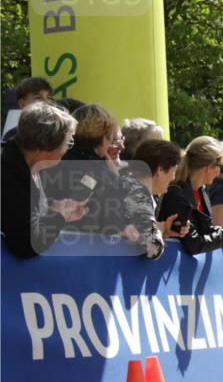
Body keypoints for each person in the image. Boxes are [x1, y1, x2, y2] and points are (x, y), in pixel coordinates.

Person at [0, 102, 87, 258]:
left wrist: (54, 207)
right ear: (48, 145)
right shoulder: (8, 174)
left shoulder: (25, 165)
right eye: (68, 142)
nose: (67, 149)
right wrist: (60, 216)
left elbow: (26, 215)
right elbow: (27, 245)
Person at [157, 137, 223, 255]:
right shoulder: (176, 193)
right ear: (208, 168)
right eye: (221, 167)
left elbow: (208, 230)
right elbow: (194, 244)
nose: (220, 172)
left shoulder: (201, 190)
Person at [42, 104, 128, 238]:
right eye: (112, 137)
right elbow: (114, 226)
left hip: (43, 242)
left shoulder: (48, 163)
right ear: (105, 136)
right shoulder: (104, 175)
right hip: (85, 248)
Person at [121, 139, 188, 258]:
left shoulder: (127, 184)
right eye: (174, 170)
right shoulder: (137, 193)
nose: (173, 178)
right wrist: (160, 231)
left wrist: (162, 229)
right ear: (160, 170)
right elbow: (152, 248)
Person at [2, 76, 52, 141]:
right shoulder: (12, 137)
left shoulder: (58, 132)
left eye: (48, 98)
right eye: (38, 98)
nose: (46, 102)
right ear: (22, 104)